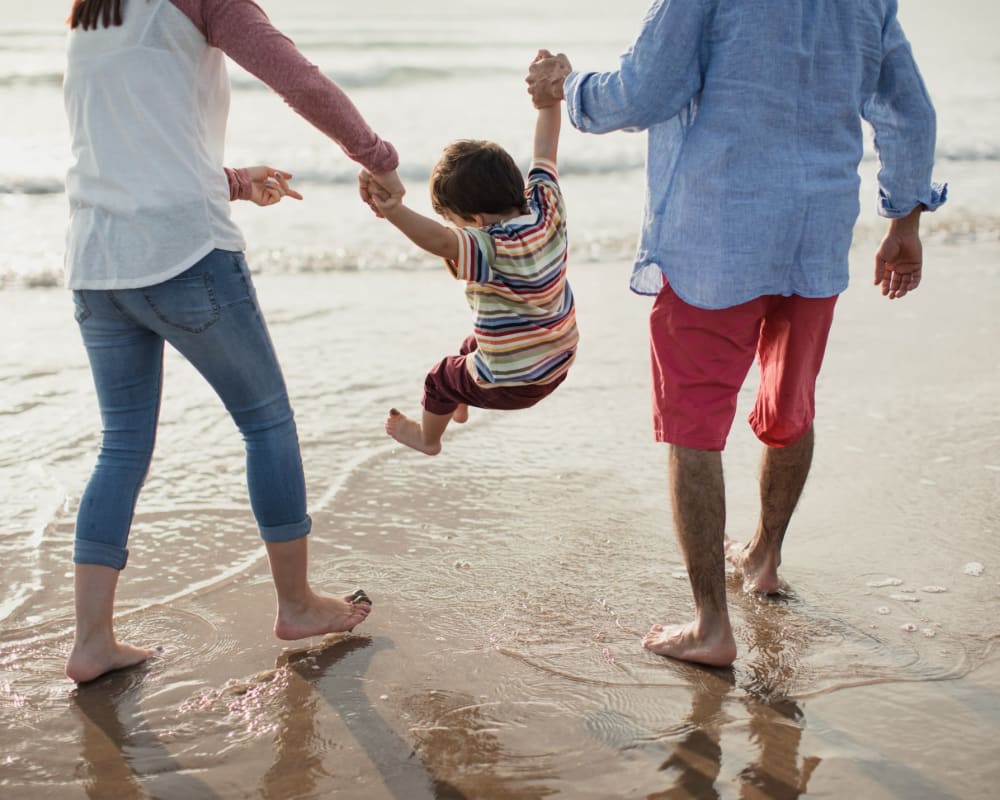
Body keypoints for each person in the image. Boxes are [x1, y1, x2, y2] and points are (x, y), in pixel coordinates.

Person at [527, 3, 946, 667]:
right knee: (790, 404)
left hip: (717, 230)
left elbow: (647, 90)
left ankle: (710, 626)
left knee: (693, 424)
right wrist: (904, 220)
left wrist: (567, 89)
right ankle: (765, 555)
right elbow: (909, 109)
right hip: (817, 230)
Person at [63, 0, 403, 683]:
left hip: (97, 262)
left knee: (122, 445)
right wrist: (381, 160)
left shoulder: (90, 12)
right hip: (184, 253)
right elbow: (300, 83)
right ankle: (298, 604)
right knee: (267, 422)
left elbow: (132, 150)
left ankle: (92, 643)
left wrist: (237, 183)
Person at [358, 60, 577, 457]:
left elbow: (440, 242)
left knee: (439, 378)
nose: (454, 230)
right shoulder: (546, 205)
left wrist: (392, 210)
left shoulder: (489, 245)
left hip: (514, 382)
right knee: (470, 345)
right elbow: (545, 150)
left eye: (454, 221)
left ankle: (428, 438)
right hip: (559, 358)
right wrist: (548, 102)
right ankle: (460, 401)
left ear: (475, 221)